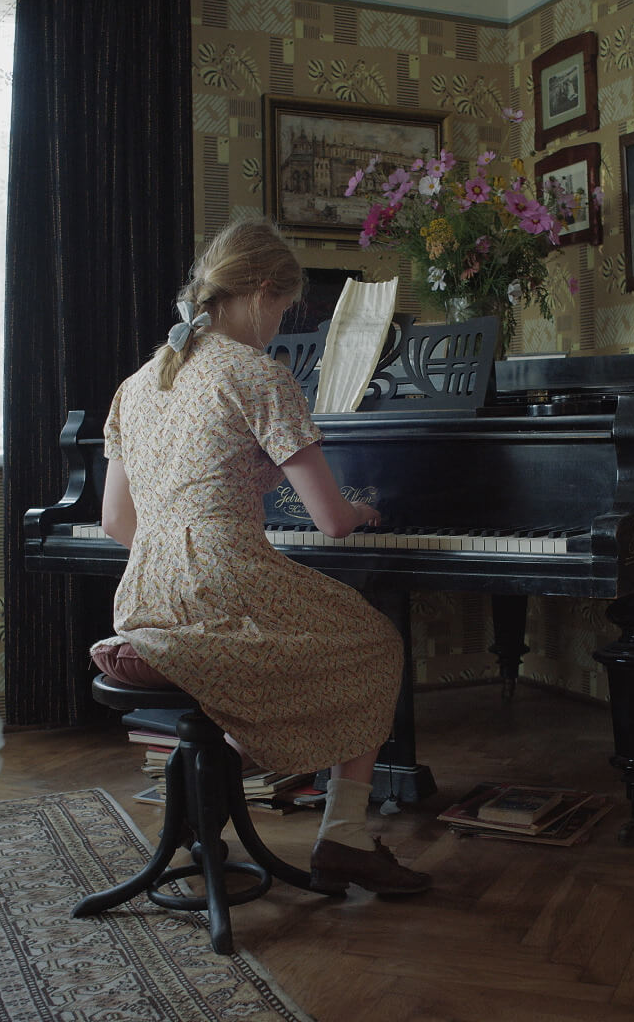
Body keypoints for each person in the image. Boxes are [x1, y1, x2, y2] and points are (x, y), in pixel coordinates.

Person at [88, 216, 432, 896]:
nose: (282, 324)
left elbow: (114, 521)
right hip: (224, 582)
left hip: (143, 594)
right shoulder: (258, 374)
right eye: (284, 309)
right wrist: (361, 510)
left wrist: (184, 547)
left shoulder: (139, 382)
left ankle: (212, 798)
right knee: (375, 641)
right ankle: (344, 836)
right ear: (265, 291)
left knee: (296, 649)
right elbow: (332, 521)